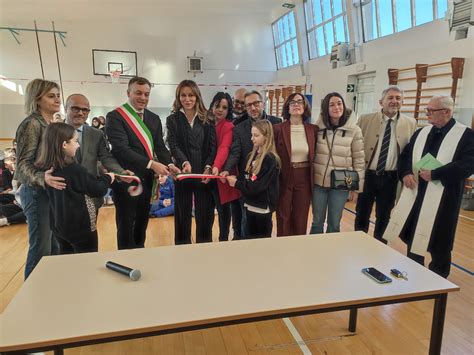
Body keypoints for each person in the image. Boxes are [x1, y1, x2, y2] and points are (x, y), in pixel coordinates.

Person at [384, 95, 474, 278]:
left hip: (445, 196)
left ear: (447, 112)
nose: (428, 115)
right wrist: (406, 173)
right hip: (417, 193)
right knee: (415, 231)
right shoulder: (422, 133)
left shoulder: (466, 136)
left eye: (432, 111)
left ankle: (438, 276)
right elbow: (406, 157)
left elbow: (468, 164)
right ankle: (414, 270)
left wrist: (436, 174)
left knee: (441, 238)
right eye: (427, 110)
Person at [106, 76, 179, 250]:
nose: (143, 98)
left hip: (146, 180)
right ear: (128, 93)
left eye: (147, 94)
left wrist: (169, 164)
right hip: (127, 180)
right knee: (126, 224)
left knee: (141, 222)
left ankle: (139, 254)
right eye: (138, 93)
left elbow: (160, 147)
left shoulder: (153, 118)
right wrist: (152, 164)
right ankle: (126, 259)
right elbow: (121, 149)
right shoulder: (115, 116)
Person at [36, 123, 115, 254]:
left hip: (58, 227)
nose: (78, 145)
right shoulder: (75, 170)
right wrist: (107, 177)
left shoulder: (47, 169)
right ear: (64, 144)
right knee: (87, 262)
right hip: (81, 229)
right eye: (75, 141)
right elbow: (98, 189)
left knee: (67, 260)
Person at [46, 94, 131, 211]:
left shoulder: (97, 134)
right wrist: (43, 177)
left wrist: (121, 172)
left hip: (90, 197)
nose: (81, 113)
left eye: (85, 110)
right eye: (76, 108)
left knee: (90, 229)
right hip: (63, 197)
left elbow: (106, 157)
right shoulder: (53, 132)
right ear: (66, 108)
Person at [14, 78, 63, 279]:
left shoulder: (51, 124)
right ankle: (31, 299)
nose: (57, 99)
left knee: (55, 247)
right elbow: (22, 166)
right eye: (51, 96)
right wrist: (44, 178)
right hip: (36, 192)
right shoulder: (32, 124)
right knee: (41, 249)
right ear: (37, 99)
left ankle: (48, 291)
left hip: (51, 192)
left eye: (58, 95)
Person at [355, 86, 416, 242]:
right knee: (362, 212)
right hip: (367, 175)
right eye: (390, 98)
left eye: (397, 98)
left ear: (402, 102)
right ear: (381, 102)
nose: (394, 101)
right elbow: (354, 147)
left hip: (391, 177)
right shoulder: (365, 119)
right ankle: (357, 243)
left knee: (384, 215)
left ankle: (379, 247)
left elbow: (411, 152)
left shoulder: (410, 123)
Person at [221, 90, 281, 237]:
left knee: (262, 231)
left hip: (264, 193)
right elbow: (235, 153)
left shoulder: (277, 124)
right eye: (248, 105)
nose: (252, 108)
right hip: (247, 187)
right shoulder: (239, 127)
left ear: (262, 103)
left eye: (256, 103)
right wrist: (227, 170)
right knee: (245, 226)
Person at [166, 79, 216, 245]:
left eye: (191, 95)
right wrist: (184, 161)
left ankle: (204, 251)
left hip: (203, 174)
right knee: (182, 215)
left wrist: (208, 167)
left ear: (197, 96)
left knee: (204, 216)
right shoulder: (172, 119)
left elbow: (212, 147)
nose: (187, 99)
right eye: (183, 95)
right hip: (183, 173)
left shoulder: (208, 118)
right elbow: (173, 145)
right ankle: (181, 250)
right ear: (178, 97)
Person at [311, 92, 365, 234]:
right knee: (317, 222)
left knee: (334, 224)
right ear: (325, 108)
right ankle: (313, 252)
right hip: (319, 184)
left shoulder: (354, 130)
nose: (337, 107)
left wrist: (357, 188)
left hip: (341, 184)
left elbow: (359, 160)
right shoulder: (316, 129)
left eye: (339, 103)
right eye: (332, 104)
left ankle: (331, 254)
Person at [227, 120, 280, 239]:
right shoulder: (253, 155)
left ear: (266, 137)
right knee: (249, 240)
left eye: (256, 135)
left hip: (262, 209)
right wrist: (237, 178)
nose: (252, 138)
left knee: (261, 243)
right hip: (250, 205)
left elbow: (257, 186)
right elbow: (248, 177)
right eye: (252, 135)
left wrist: (236, 184)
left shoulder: (270, 160)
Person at [274, 93, 317, 237]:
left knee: (300, 217)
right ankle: (283, 249)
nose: (296, 104)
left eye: (300, 102)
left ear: (305, 106)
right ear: (287, 106)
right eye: (292, 102)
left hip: (304, 177)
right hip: (284, 176)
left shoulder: (313, 130)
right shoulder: (278, 129)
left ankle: (298, 249)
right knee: (283, 216)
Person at [208, 92, 240, 241]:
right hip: (209, 173)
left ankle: (223, 240)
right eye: (217, 106)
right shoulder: (207, 124)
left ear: (229, 110)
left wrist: (216, 166)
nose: (220, 109)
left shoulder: (228, 126)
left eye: (224, 107)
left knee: (223, 210)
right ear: (212, 106)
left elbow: (224, 147)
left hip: (222, 175)